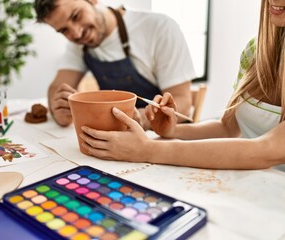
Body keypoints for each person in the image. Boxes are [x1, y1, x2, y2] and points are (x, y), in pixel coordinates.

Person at [78, 0, 285, 170]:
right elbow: (227, 129)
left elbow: (266, 150)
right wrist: (172, 132)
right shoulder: (255, 50)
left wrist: (147, 149)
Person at [34, 0, 196, 128]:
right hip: (120, 135)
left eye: (76, 16)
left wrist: (143, 119)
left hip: (164, 136)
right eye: (64, 30)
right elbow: (56, 87)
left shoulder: (159, 28)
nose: (76, 33)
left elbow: (183, 102)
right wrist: (58, 111)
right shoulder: (79, 45)